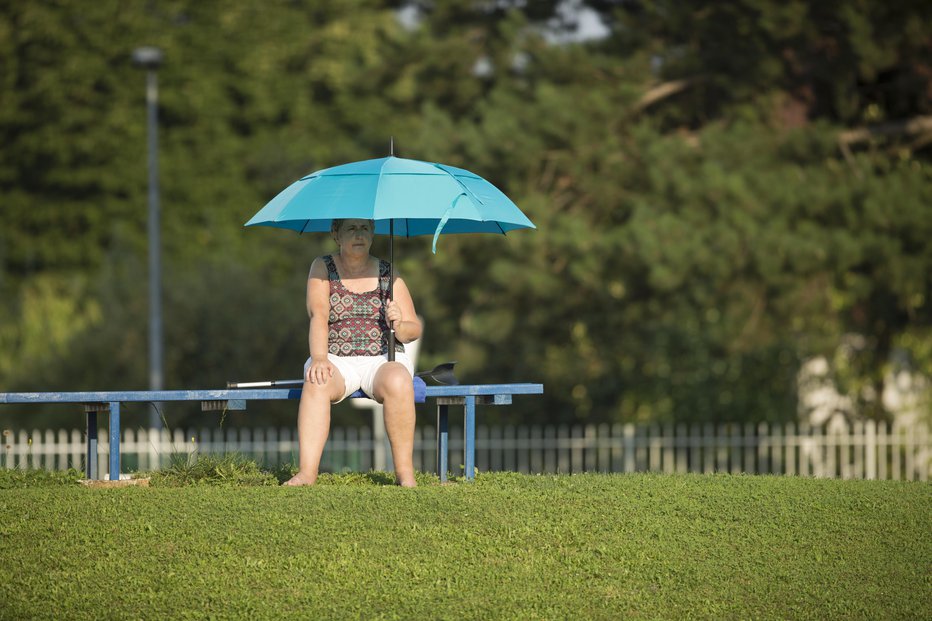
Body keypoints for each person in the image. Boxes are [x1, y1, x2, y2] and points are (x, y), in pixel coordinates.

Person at [284, 218, 422, 487]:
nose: (359, 235)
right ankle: (307, 474)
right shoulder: (322, 267)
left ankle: (405, 475)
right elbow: (318, 315)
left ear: (373, 233)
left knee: (399, 380)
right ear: (336, 234)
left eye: (365, 228)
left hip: (383, 358)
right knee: (317, 379)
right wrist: (320, 358)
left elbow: (412, 329)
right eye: (351, 228)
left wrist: (399, 324)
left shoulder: (389, 272)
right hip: (336, 358)